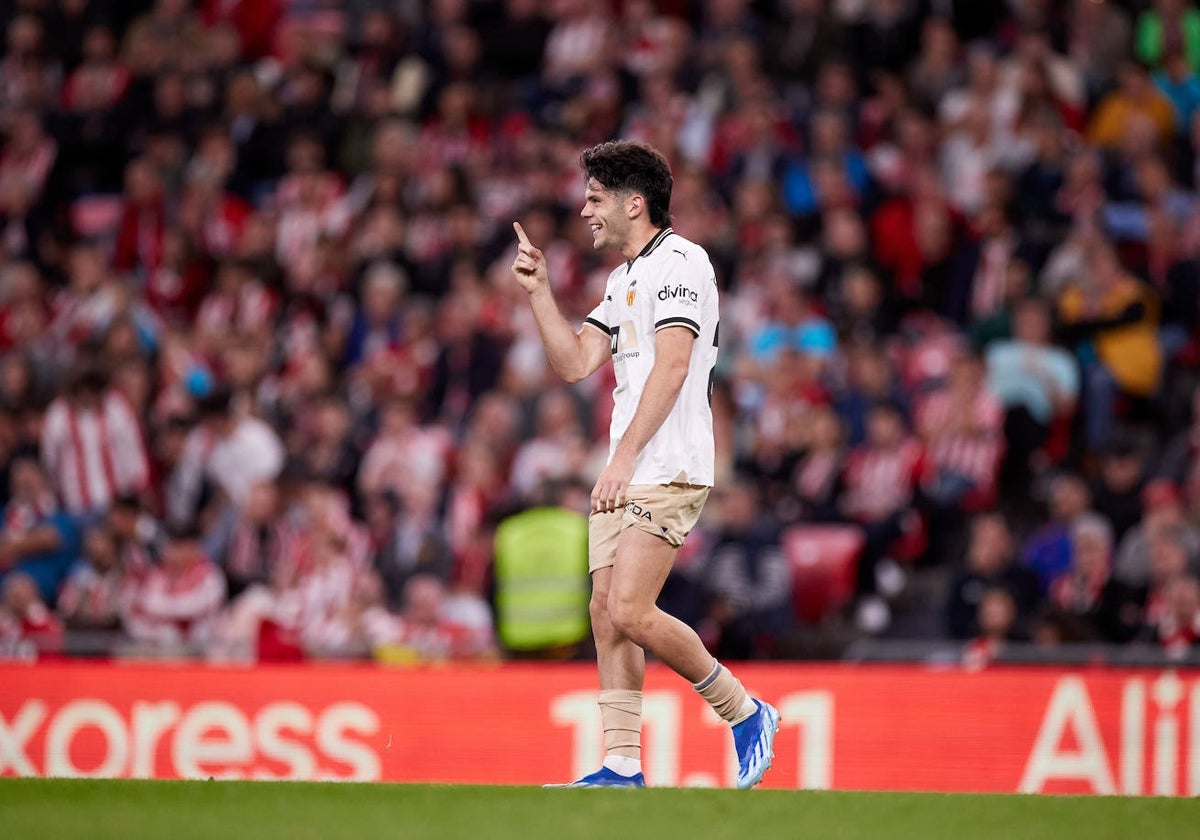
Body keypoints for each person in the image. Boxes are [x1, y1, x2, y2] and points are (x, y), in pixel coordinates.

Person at [510, 140, 779, 789]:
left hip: (668, 465)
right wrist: (540, 292)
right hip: (629, 466)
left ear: (636, 203)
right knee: (606, 610)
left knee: (630, 608)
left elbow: (676, 364)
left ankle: (744, 712)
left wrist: (623, 458)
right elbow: (575, 363)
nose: (584, 211)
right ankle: (622, 765)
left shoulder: (682, 262)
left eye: (595, 198)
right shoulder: (622, 278)